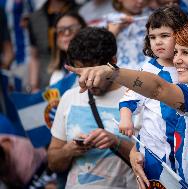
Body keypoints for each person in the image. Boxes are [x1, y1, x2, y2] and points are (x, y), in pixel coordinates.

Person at [65, 19, 188, 189]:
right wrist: (135, 152)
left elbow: (158, 88)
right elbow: (160, 129)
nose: (176, 60)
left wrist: (112, 72)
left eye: (186, 53)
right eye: (176, 52)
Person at [47, 27, 137, 189]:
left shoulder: (136, 98)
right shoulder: (69, 98)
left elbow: (153, 161)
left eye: (92, 74)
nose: (85, 82)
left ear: (112, 62)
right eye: (80, 74)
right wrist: (69, 150)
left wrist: (116, 142)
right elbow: (53, 162)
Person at [118, 5, 188, 185]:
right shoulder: (148, 70)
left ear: (181, 35)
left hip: (186, 151)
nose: (157, 42)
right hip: (154, 149)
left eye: (164, 36)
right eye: (152, 37)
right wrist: (126, 120)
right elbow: (129, 100)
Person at [27, 0, 79, 92]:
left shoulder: (82, 10)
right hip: (48, 81)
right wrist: (33, 87)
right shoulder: (35, 18)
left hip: (77, 71)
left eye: (70, 29)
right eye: (60, 31)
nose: (65, 35)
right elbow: (34, 56)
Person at [106, 0, 149, 69]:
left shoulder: (151, 16)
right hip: (123, 70)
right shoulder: (110, 20)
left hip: (150, 69)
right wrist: (112, 33)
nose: (141, 1)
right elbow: (102, 49)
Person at [48, 12, 86, 85]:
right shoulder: (56, 74)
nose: (67, 33)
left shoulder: (95, 64)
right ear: (56, 38)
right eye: (61, 30)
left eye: (73, 28)